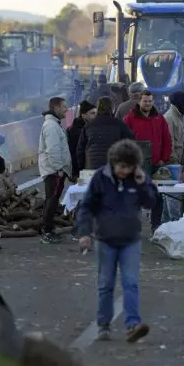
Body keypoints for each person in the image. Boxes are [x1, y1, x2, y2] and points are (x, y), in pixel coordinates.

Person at [76, 139, 156, 343]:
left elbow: (151, 202)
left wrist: (143, 183)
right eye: (121, 166)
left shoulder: (137, 178)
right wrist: (84, 232)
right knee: (105, 284)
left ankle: (133, 325)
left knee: (131, 283)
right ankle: (103, 325)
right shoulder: (100, 179)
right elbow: (86, 207)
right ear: (113, 162)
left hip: (131, 240)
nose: (124, 171)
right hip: (105, 239)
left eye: (129, 167)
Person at [124, 90, 171, 230]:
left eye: (150, 101)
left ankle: (155, 226)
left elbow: (167, 140)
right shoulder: (129, 119)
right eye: (145, 101)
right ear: (139, 101)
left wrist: (164, 158)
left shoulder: (159, 119)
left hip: (156, 164)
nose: (148, 104)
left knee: (157, 197)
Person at [38, 97, 72, 244]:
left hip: (53, 170)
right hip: (54, 171)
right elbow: (53, 150)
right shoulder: (51, 126)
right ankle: (47, 231)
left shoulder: (53, 124)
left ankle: (48, 229)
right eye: (64, 106)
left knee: (51, 200)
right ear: (56, 108)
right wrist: (59, 168)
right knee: (51, 200)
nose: (66, 109)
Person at [77, 96, 134, 172]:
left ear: (98, 109)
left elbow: (80, 149)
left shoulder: (88, 126)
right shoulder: (120, 125)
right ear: (113, 108)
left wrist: (81, 168)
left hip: (92, 167)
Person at [67, 100, 96, 180]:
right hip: (83, 170)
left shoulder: (86, 127)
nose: (95, 116)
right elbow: (76, 153)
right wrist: (76, 172)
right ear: (83, 115)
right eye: (92, 113)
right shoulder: (78, 131)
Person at [164, 91, 184, 164]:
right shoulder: (169, 118)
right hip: (175, 162)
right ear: (181, 102)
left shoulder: (180, 116)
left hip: (181, 159)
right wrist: (174, 162)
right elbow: (169, 142)